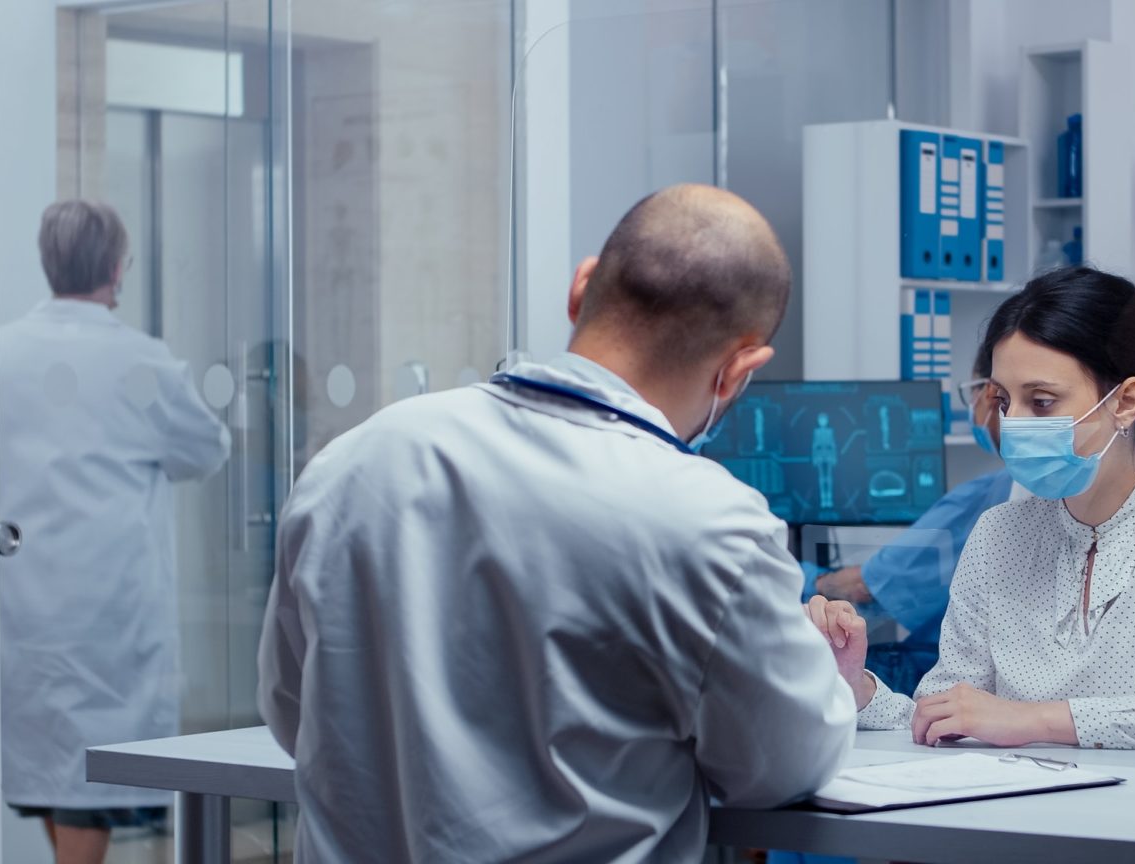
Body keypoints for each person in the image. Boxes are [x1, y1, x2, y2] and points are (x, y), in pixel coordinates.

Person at [257, 184, 858, 863]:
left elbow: (292, 712)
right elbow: (781, 768)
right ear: (740, 368)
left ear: (581, 288)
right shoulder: (710, 524)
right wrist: (824, 680)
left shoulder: (354, 460)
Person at [808, 266, 1135, 751]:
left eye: (1040, 402)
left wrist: (1037, 721)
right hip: (1017, 809)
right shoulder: (999, 533)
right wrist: (858, 689)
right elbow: (948, 714)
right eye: (1002, 400)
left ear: (1124, 402)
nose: (1012, 424)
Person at [0, 200, 232, 864]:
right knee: (82, 786)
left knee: (55, 781)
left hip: (20, 607)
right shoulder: (140, 363)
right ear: (115, 267)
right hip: (106, 619)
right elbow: (206, 450)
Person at [808, 467, 1014, 696]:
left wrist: (810, 582)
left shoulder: (994, 494)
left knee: (805, 668)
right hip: (959, 678)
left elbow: (865, 587)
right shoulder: (1009, 498)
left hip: (931, 670)